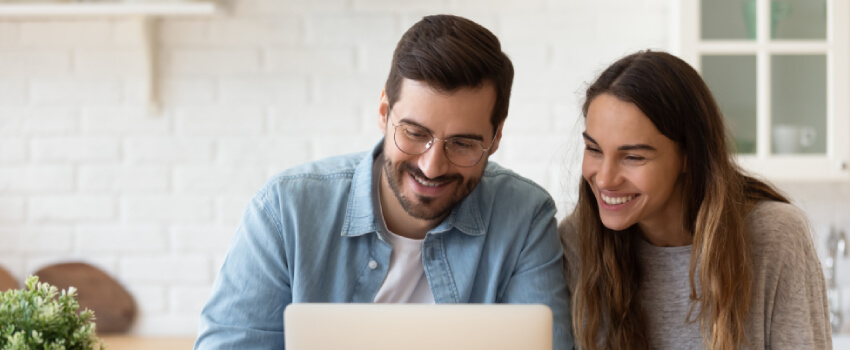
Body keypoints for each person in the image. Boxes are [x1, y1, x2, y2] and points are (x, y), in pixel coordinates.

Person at [194, 14, 572, 349]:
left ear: (495, 139)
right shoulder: (284, 211)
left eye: (462, 143)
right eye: (413, 132)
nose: (432, 165)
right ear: (383, 113)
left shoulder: (525, 218)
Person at [560, 50, 831, 349]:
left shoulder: (774, 237)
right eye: (594, 150)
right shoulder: (577, 240)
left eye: (633, 156)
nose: (605, 179)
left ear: (689, 156)